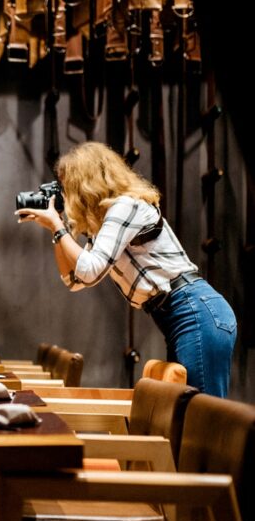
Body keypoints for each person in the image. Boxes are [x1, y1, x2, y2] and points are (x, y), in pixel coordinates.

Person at [15, 141, 237, 397]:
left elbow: (89, 269)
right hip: (178, 314)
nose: (66, 195)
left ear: (86, 183)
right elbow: (75, 280)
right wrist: (56, 231)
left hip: (194, 309)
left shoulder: (126, 206)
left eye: (68, 187)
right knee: (187, 408)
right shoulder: (105, 224)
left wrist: (58, 227)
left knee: (201, 410)